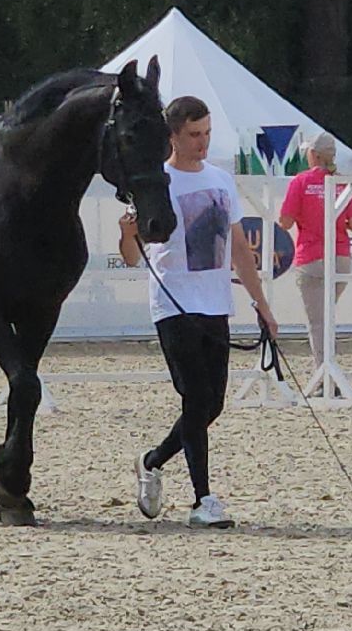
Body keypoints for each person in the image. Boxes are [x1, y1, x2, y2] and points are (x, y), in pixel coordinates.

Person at [118, 96, 278, 529]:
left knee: (211, 405)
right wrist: (127, 234)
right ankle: (203, 499)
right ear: (173, 136)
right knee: (195, 397)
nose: (202, 142)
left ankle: (153, 460)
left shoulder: (221, 181)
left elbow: (239, 248)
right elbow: (132, 256)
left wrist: (261, 304)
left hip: (215, 305)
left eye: (206, 133)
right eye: (194, 135)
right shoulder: (157, 181)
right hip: (174, 304)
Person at [277, 131, 352, 366]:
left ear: (313, 154)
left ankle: (324, 372)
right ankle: (327, 369)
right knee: (326, 316)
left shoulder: (301, 181)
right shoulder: (342, 183)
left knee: (317, 322)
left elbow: (285, 222)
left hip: (312, 256)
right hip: (340, 256)